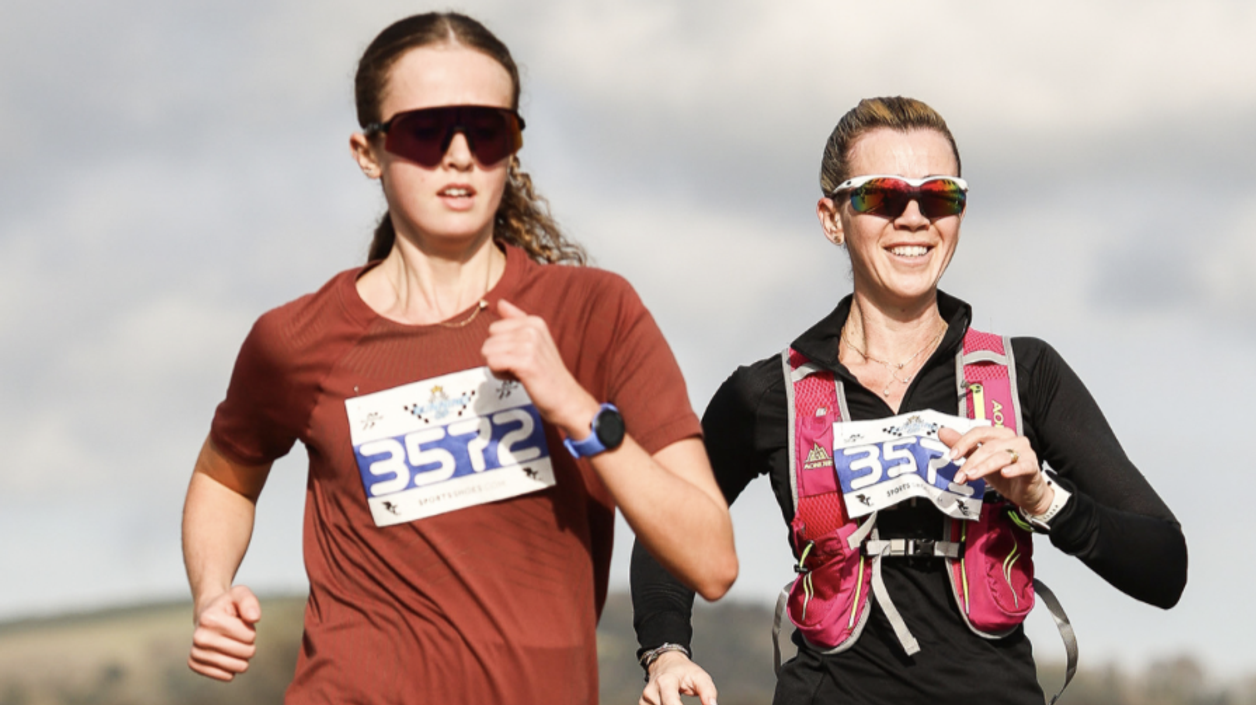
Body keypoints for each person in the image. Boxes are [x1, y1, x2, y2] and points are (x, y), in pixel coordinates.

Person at [181, 12, 737, 704]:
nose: (458, 154)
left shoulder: (595, 311)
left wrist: (572, 406)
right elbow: (225, 474)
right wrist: (211, 591)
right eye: (424, 130)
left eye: (486, 131)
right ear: (367, 151)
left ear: (513, 146)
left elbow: (711, 559)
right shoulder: (296, 338)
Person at [630, 97, 1187, 705]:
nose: (915, 217)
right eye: (884, 197)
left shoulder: (1026, 374)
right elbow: (666, 523)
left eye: (940, 196)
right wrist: (666, 653)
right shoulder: (767, 393)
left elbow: (1164, 568)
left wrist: (1042, 499)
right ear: (832, 217)